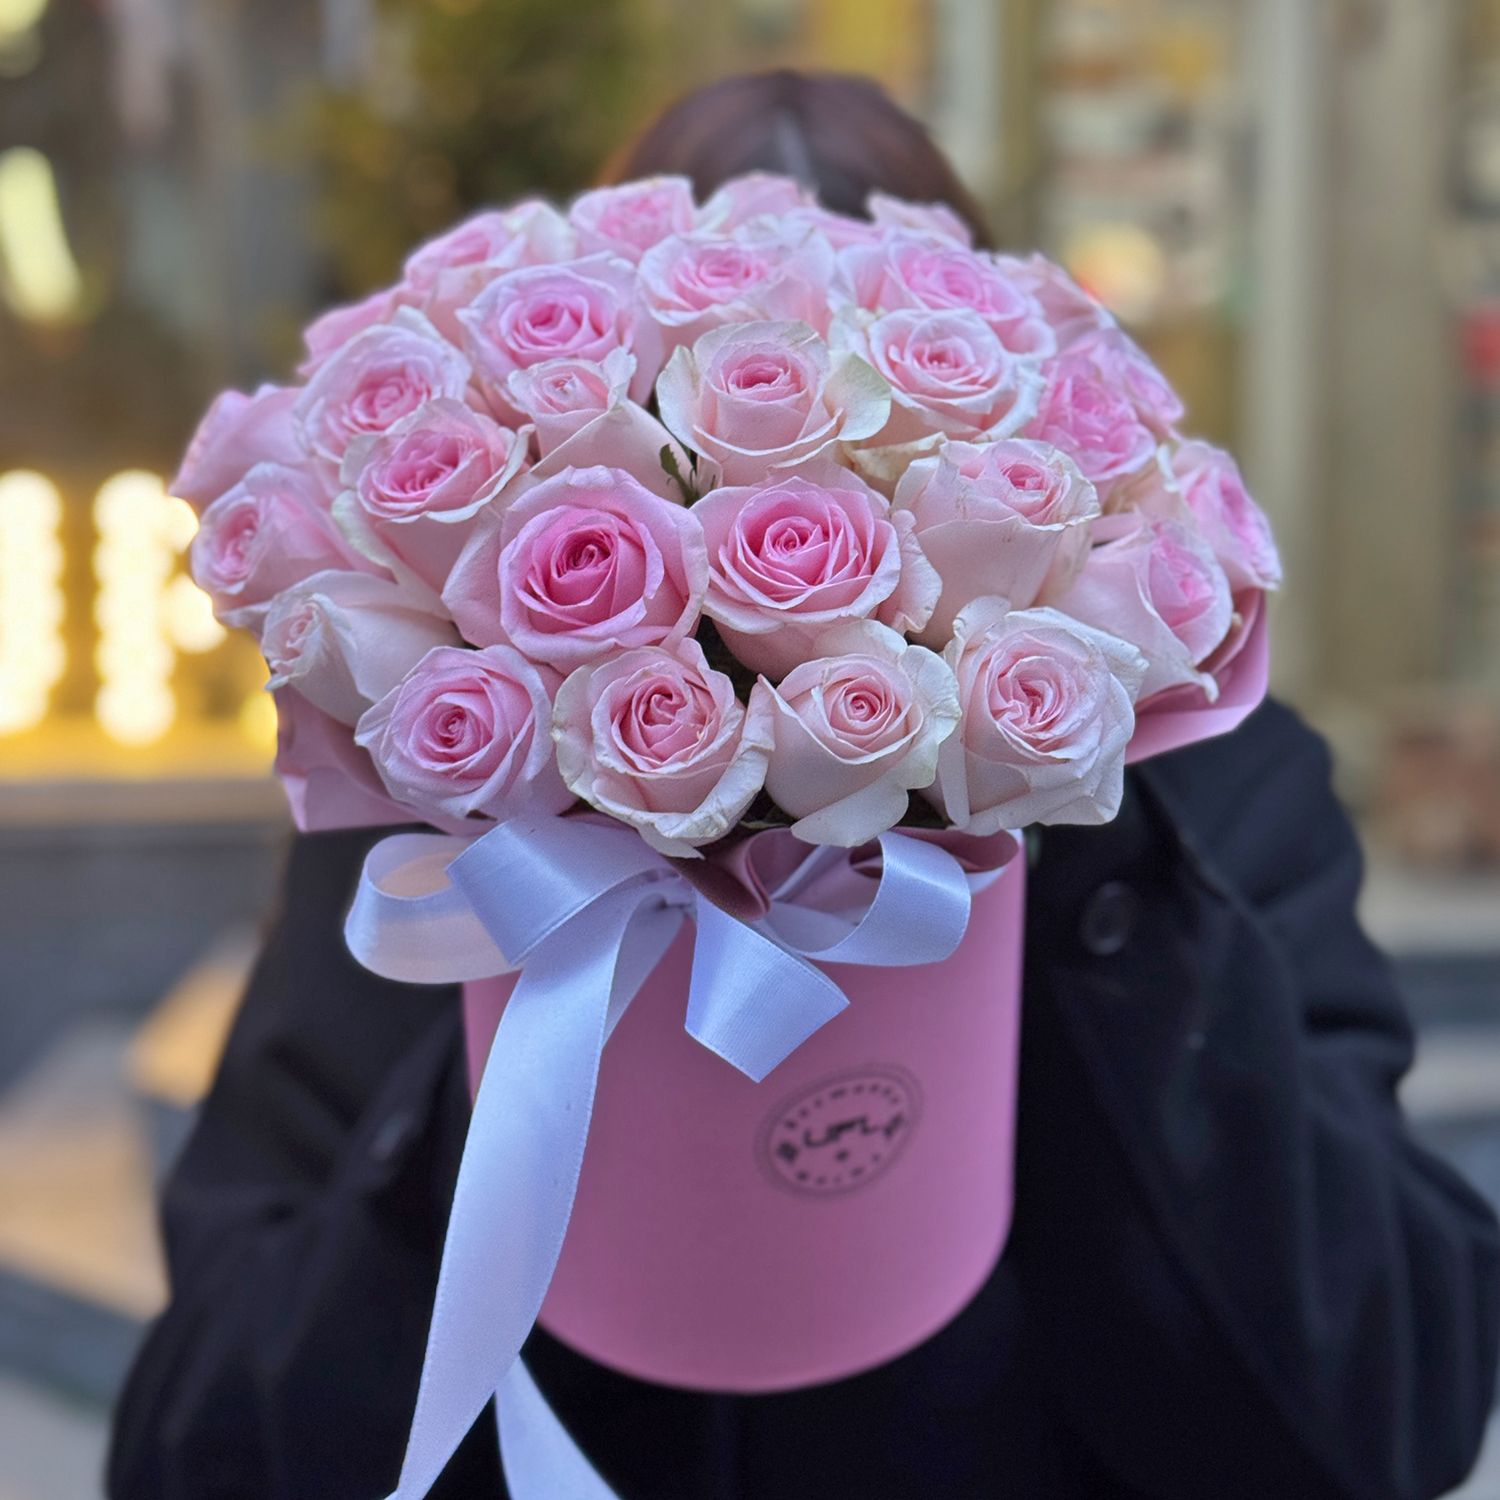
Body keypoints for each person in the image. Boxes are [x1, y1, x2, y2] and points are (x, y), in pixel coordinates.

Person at [109, 71, 1499, 1500]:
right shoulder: (427, 836)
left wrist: (1066, 830)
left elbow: (1394, 1408)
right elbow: (195, 1448)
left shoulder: (1211, 804)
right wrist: (518, 1036)